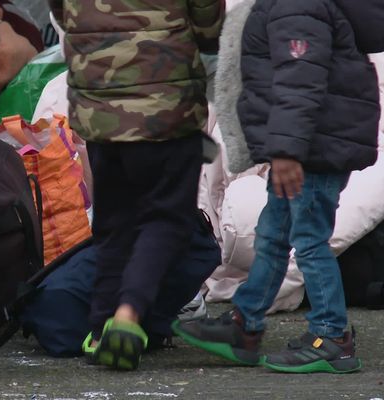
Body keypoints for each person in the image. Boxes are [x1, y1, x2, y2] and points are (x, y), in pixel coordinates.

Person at [172, 0, 383, 374]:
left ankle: (332, 336)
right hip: (310, 144)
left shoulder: (297, 5)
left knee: (309, 239)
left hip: (313, 148)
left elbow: (299, 80)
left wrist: (286, 152)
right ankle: (245, 325)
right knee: (273, 234)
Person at [60, 0, 225, 370]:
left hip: (98, 105)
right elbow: (208, 23)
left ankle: (100, 328)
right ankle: (128, 314)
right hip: (164, 109)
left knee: (113, 222)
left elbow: (62, 13)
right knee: (166, 217)